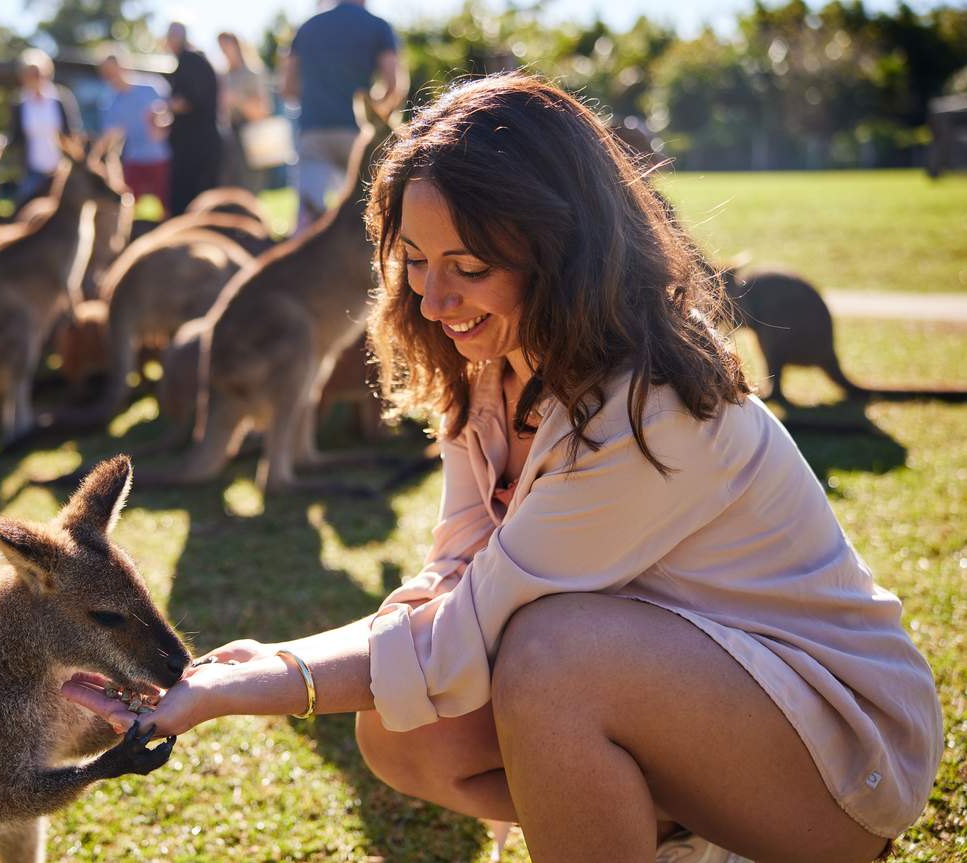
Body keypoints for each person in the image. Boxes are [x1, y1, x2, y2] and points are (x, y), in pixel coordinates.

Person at [62, 75, 943, 863]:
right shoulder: (493, 372)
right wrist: (277, 657)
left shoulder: (652, 401)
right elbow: (455, 574)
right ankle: (664, 833)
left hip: (840, 762)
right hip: (685, 697)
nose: (432, 301)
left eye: (468, 267)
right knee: (404, 732)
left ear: (562, 255)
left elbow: (482, 622)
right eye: (411, 263)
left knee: (546, 654)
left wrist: (246, 686)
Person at [282, 0, 402, 232]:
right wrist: (372, 109)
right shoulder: (377, 26)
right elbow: (393, 86)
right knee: (362, 218)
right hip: (356, 133)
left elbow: (287, 88)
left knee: (307, 217)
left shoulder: (307, 27)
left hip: (313, 130)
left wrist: (316, 99)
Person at [98, 53, 172, 215]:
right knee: (130, 209)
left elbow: (167, 115)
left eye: (112, 70)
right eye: (106, 72)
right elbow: (109, 135)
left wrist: (160, 123)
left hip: (158, 158)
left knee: (164, 207)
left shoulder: (151, 87)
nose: (110, 76)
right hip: (133, 160)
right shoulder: (111, 102)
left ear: (122, 67)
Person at [8, 48, 83, 207]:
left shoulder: (61, 98)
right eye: (29, 74)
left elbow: (73, 132)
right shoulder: (20, 103)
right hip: (33, 170)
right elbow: (15, 136)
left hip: (61, 170)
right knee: (25, 206)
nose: (34, 78)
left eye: (38, 73)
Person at [164, 22, 221, 215]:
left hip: (195, 148)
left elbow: (188, 100)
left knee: (189, 203)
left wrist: (163, 109)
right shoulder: (194, 61)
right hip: (197, 145)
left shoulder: (190, 61)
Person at [217, 31, 271, 193]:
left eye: (227, 46)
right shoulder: (224, 76)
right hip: (229, 136)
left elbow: (263, 110)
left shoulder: (253, 74)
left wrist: (237, 100)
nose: (224, 52)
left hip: (251, 136)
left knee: (250, 188)